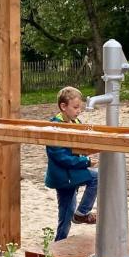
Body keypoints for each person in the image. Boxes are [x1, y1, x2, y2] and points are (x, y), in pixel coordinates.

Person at [45, 87, 98, 241]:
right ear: (63, 107)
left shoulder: (75, 122)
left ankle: (59, 243)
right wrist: (85, 161)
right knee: (96, 177)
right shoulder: (55, 127)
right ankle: (81, 214)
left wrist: (89, 150)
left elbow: (79, 144)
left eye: (80, 107)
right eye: (75, 107)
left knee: (65, 214)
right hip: (64, 176)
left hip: (71, 174)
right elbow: (61, 157)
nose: (79, 110)